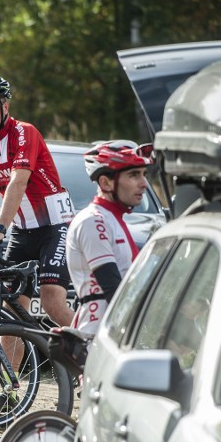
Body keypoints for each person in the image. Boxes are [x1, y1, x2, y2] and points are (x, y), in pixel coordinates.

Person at [0, 75, 75, 413]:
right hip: (24, 232)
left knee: (53, 297)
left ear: (5, 107)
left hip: (55, 225)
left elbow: (18, 180)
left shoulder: (24, 133)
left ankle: (94, 366)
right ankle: (11, 388)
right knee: (11, 309)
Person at [66, 140, 152, 334]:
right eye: (133, 175)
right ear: (105, 183)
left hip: (114, 330)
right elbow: (113, 288)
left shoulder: (112, 219)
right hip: (99, 334)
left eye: (144, 175)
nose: (144, 183)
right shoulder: (93, 221)